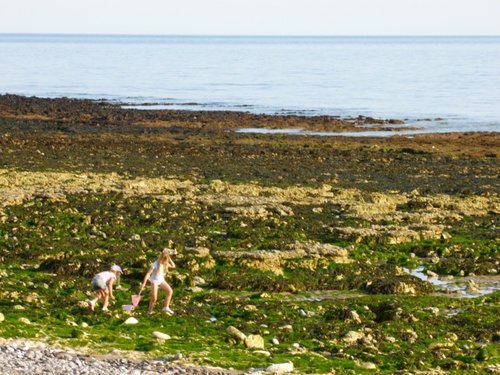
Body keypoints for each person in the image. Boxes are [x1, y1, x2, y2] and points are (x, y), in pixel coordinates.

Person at [140, 248, 176, 315]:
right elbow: (148, 274)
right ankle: (149, 311)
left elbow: (174, 266)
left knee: (170, 291)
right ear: (161, 258)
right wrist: (144, 283)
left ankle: (166, 307)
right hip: (154, 281)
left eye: (166, 260)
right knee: (154, 298)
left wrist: (169, 258)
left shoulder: (165, 263)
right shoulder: (155, 264)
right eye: (164, 259)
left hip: (161, 281)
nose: (165, 261)